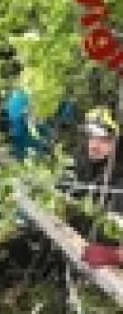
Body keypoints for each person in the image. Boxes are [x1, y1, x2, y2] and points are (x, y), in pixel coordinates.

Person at [70, 107, 123, 267]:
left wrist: (114, 256)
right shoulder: (83, 162)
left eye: (104, 140)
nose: (94, 145)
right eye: (92, 137)